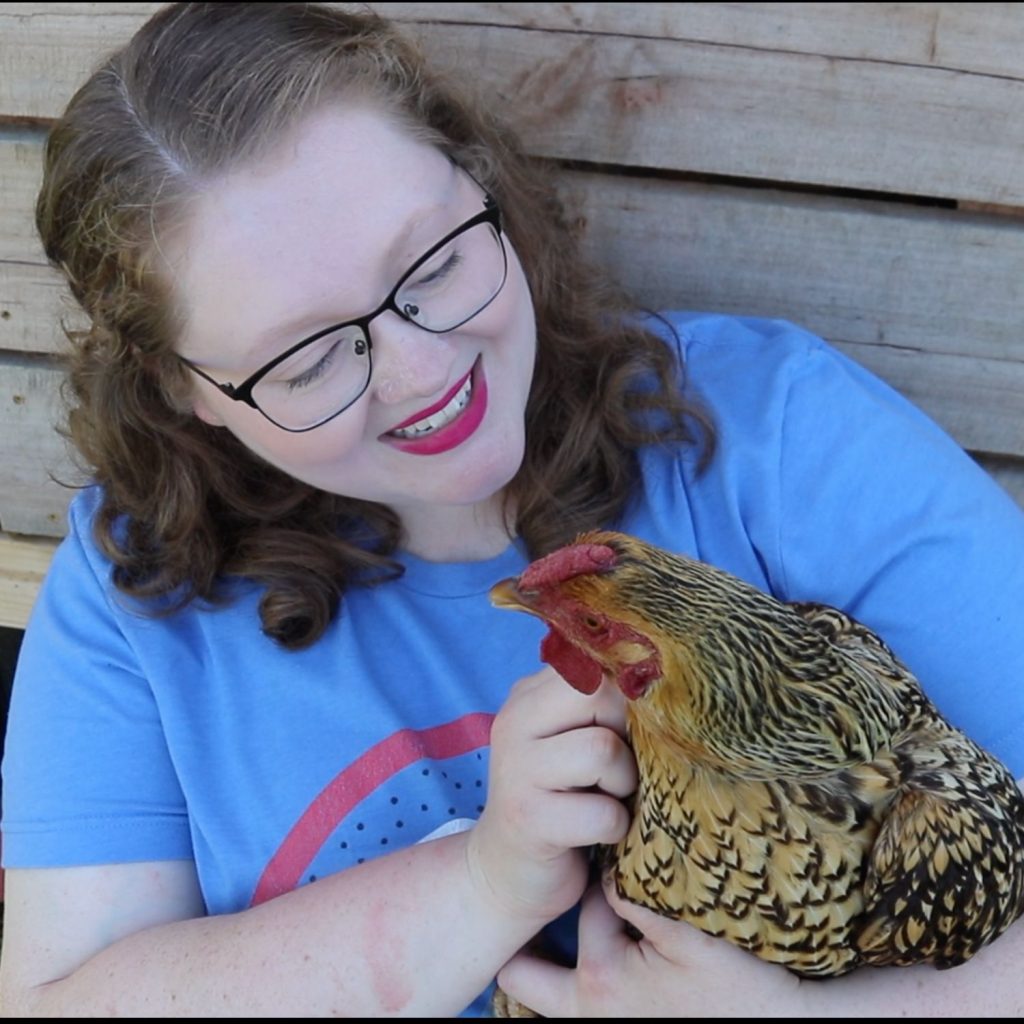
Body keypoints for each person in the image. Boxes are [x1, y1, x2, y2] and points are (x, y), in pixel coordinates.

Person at [2, 2, 1023, 1017]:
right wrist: (480, 882)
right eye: (307, 358)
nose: (422, 369)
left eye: (434, 264)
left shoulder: (779, 439)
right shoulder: (137, 589)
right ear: (183, 384)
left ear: (479, 179)